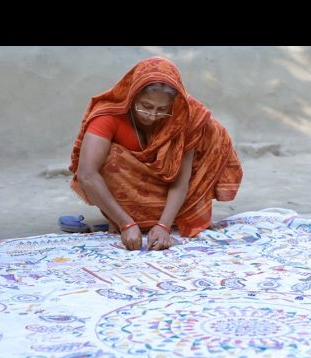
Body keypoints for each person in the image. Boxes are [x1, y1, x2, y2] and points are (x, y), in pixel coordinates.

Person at [69, 56, 242, 251]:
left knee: (210, 127)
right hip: (125, 195)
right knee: (113, 157)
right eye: (146, 106)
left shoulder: (183, 117)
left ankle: (161, 218)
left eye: (162, 109)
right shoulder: (108, 116)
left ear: (173, 104)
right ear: (133, 96)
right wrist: (125, 223)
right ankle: (124, 217)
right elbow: (87, 174)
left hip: (172, 195)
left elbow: (180, 181)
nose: (152, 116)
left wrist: (163, 226)